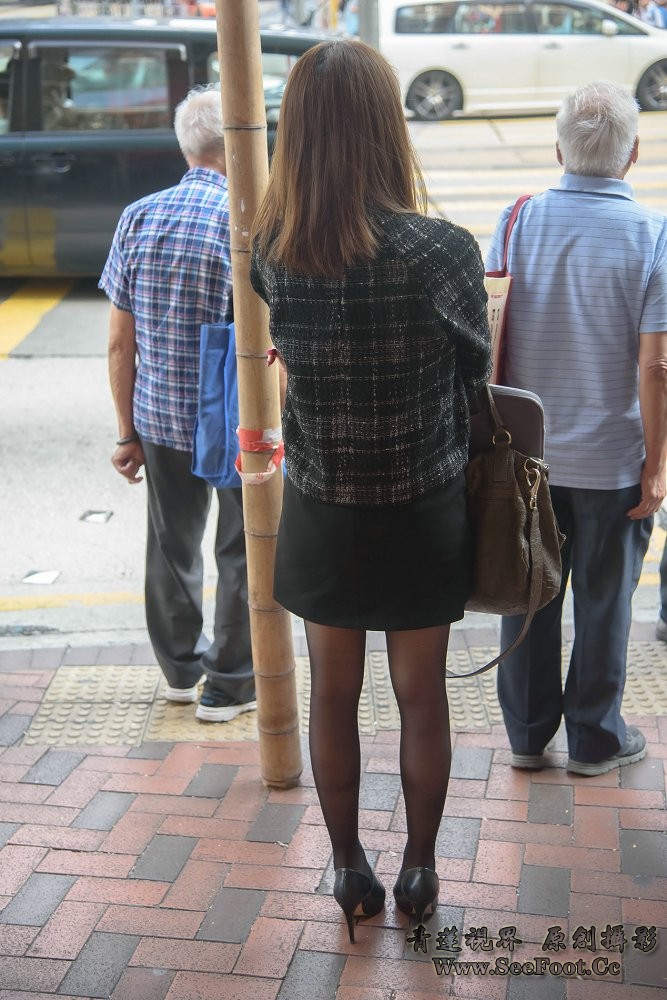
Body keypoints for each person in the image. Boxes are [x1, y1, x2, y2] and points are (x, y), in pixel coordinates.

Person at [250, 40, 490, 942]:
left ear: (299, 130)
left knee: (331, 694)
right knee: (422, 696)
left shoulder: (271, 250)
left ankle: (348, 866)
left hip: (321, 507)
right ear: (387, 125)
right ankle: (419, 870)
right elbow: (475, 372)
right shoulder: (442, 251)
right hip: (422, 505)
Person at [487, 81, 667, 777]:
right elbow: (655, 366)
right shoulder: (652, 234)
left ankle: (527, 737)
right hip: (613, 461)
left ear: (559, 150)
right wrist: (656, 464)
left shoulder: (516, 221)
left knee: (526, 594)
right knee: (604, 601)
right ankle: (594, 739)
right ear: (633, 153)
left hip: (526, 457)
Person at [99, 86, 256, 724]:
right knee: (243, 549)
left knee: (172, 548)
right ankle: (230, 685)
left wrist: (126, 432)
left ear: (185, 145)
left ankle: (181, 672)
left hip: (160, 418)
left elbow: (120, 342)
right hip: (238, 422)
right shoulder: (249, 222)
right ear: (237, 144)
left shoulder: (138, 217)